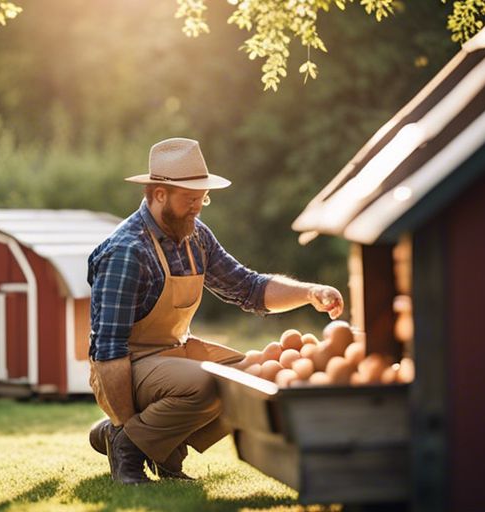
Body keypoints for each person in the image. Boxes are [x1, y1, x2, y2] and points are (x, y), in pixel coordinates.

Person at [87, 137, 344, 484]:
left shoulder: (196, 237)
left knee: (250, 381)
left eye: (202, 198)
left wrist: (310, 293)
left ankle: (159, 447)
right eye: (190, 199)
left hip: (174, 354)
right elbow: (108, 352)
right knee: (211, 384)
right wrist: (125, 422)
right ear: (159, 194)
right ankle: (126, 449)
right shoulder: (127, 251)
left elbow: (249, 288)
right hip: (126, 365)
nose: (198, 207)